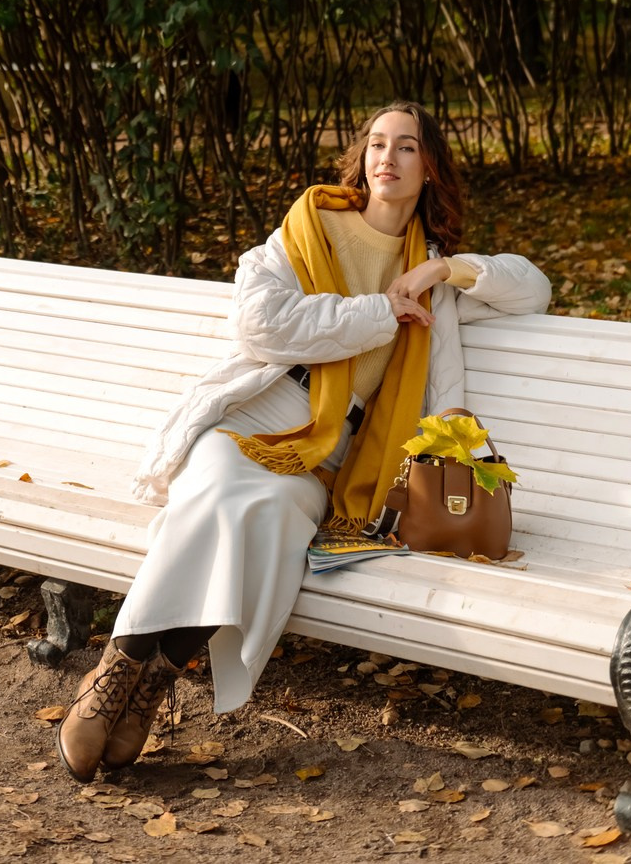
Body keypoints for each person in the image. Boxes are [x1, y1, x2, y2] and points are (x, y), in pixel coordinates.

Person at [55, 101, 551, 781]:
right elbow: (260, 323)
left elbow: (533, 288)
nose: (388, 156)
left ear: (429, 168)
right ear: (361, 157)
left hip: (327, 454)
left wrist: (443, 271)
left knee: (269, 514)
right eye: (377, 142)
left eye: (407, 146)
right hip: (259, 412)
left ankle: (156, 679)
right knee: (223, 493)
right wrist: (377, 312)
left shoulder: (432, 270)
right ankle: (121, 665)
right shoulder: (311, 225)